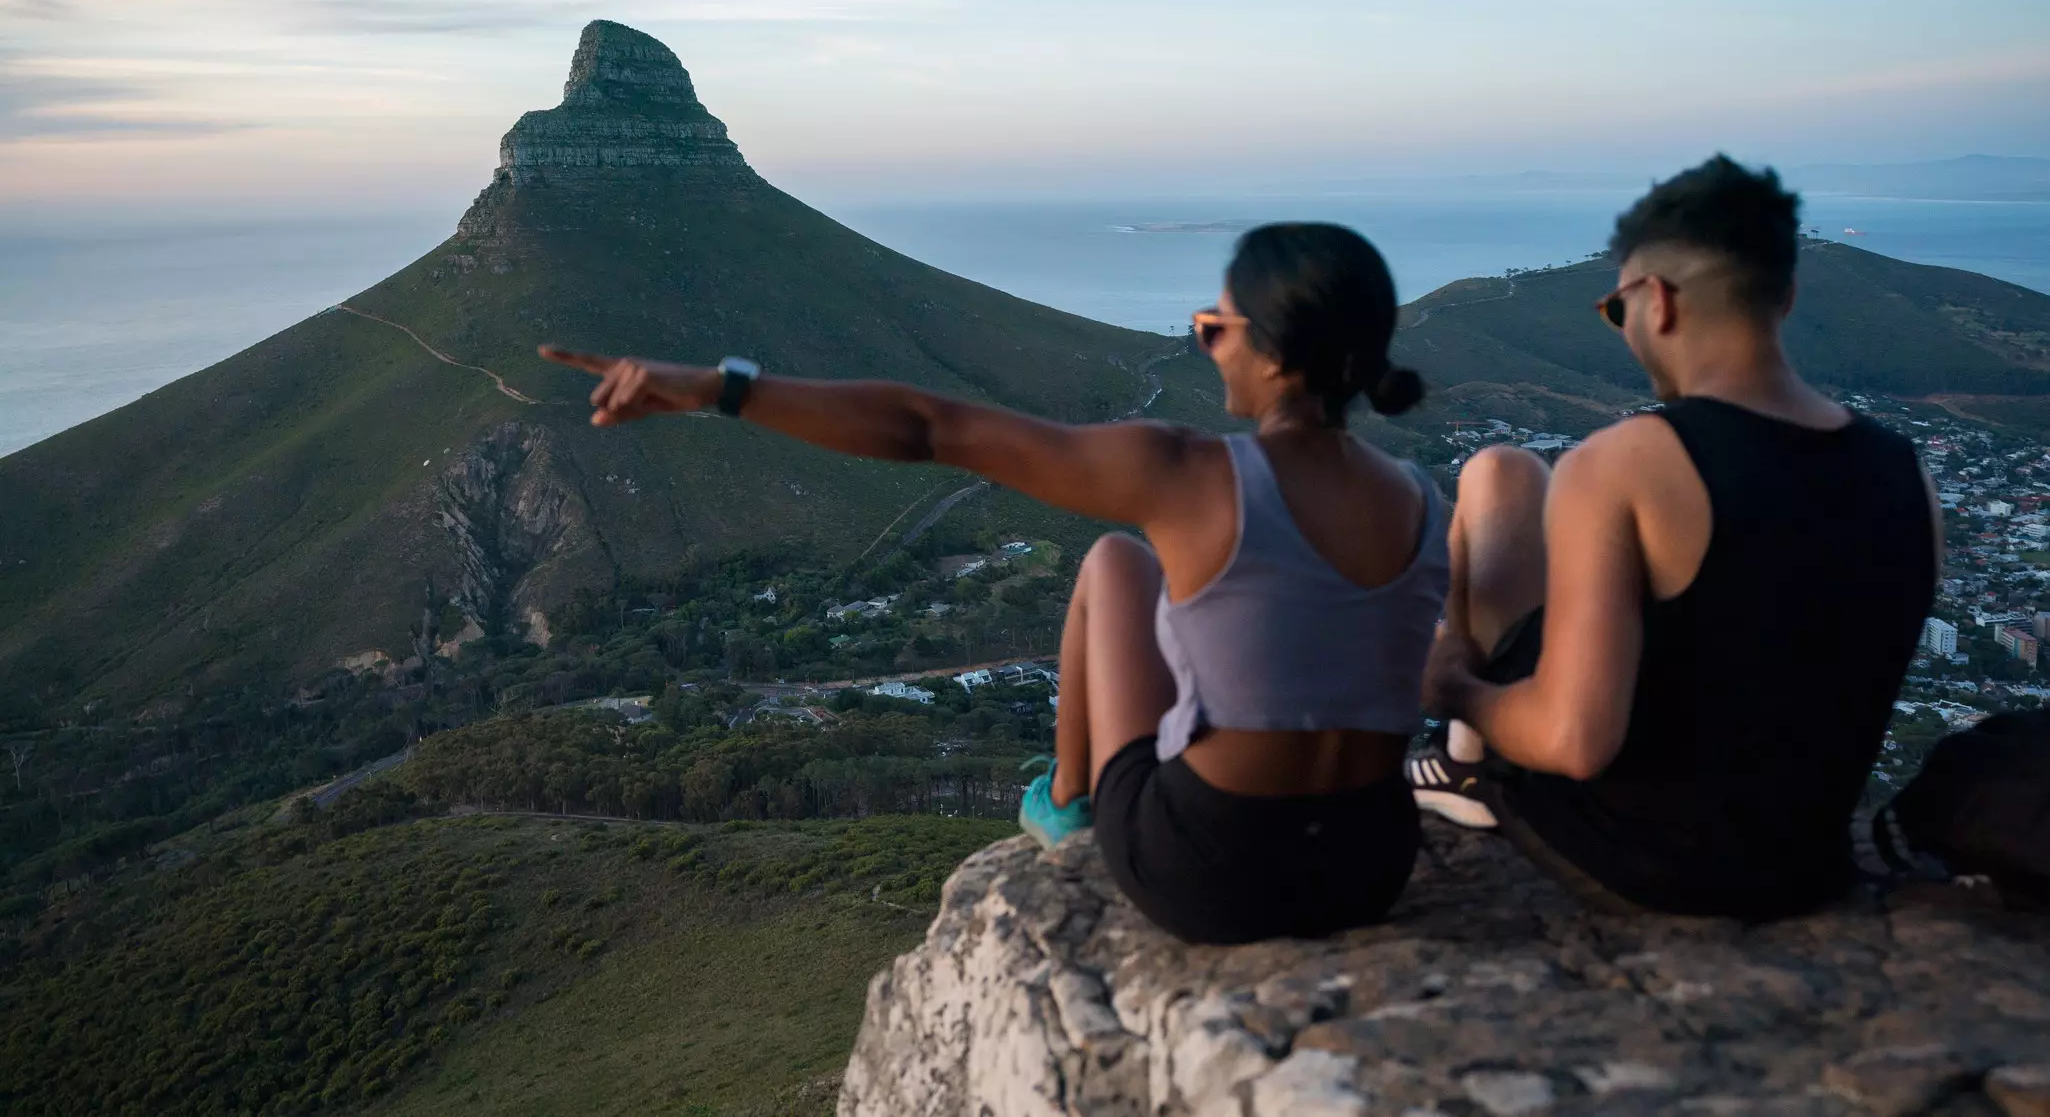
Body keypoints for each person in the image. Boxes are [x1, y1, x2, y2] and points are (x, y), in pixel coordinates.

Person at [542, 223, 1448, 944]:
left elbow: (927, 426)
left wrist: (719, 386)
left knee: (1112, 562)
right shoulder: (1417, 497)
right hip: (1372, 865)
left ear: (1276, 350)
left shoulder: (1193, 474)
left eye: (1215, 328)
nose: (1204, 345)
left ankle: (1064, 804)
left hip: (1213, 871)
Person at [1408, 155, 1942, 921]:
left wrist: (1453, 685)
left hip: (1644, 861)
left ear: (1654, 301)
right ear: (1785, 297)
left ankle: (1460, 756)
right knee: (1507, 472)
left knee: (1494, 479)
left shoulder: (1631, 462)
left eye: (1614, 311)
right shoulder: (1908, 473)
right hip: (1810, 865)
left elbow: (1574, 740)